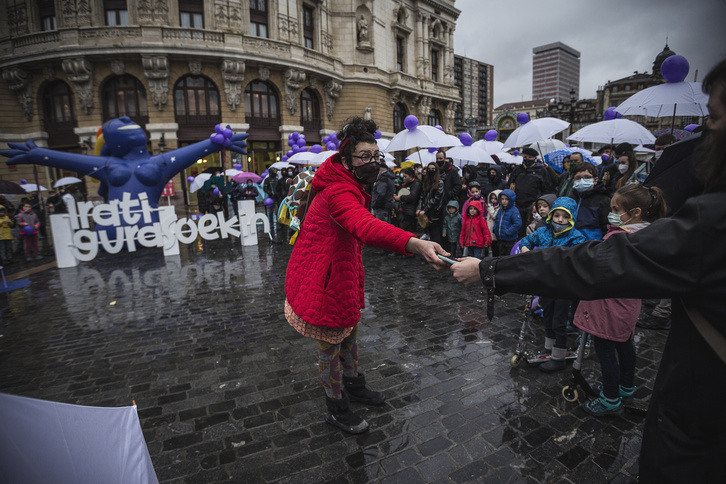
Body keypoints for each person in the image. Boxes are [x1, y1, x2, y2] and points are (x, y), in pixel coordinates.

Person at [451, 57, 726, 483]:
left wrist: (492, 270)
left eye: (715, 119)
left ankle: (615, 392)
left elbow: (596, 263)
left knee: (609, 347)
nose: (708, 134)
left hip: (700, 434)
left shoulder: (712, 222)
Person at [284, 117, 448, 434]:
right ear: (346, 159)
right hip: (324, 281)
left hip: (342, 274)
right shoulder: (338, 192)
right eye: (364, 156)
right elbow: (365, 226)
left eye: (376, 155)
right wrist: (414, 243)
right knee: (329, 348)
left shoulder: (349, 181)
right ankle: (336, 406)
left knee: (351, 334)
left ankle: (354, 385)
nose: (373, 162)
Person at [575, 183, 668, 416]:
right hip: (628, 305)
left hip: (609, 305)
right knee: (625, 344)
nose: (612, 213)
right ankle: (625, 388)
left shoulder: (620, 239)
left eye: (616, 210)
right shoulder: (648, 235)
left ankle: (610, 400)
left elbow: (601, 268)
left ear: (635, 212)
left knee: (605, 349)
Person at [518, 197, 586, 372]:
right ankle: (549, 348)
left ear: (571, 218)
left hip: (563, 286)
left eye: (565, 217)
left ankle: (559, 357)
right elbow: (526, 241)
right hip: (545, 283)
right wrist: (526, 250)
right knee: (547, 315)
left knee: (559, 321)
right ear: (551, 216)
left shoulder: (576, 237)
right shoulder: (543, 232)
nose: (560, 220)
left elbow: (578, 258)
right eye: (557, 216)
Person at [509, 148, 552, 237]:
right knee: (519, 228)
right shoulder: (518, 170)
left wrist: (538, 203)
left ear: (535, 158)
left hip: (533, 205)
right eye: (525, 157)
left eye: (530, 157)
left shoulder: (541, 170)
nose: (527, 159)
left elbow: (547, 188)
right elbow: (510, 184)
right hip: (518, 204)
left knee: (531, 229)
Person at [570, 163, 611, 241]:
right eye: (578, 178)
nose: (582, 180)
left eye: (587, 177)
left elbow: (607, 226)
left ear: (595, 180)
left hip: (593, 244)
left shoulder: (603, 200)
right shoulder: (570, 199)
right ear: (573, 180)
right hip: (572, 243)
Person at [417, 162, 444, 244]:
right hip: (426, 212)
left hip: (435, 212)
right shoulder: (426, 182)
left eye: (433, 169)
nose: (431, 171)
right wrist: (419, 208)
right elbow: (422, 197)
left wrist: (425, 209)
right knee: (430, 234)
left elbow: (436, 199)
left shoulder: (440, 182)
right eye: (429, 169)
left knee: (435, 235)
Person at [491, 189, 521, 257]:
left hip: (510, 240)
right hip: (500, 238)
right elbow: (497, 220)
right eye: (502, 199)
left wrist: (508, 232)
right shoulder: (500, 210)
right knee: (501, 256)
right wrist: (495, 229)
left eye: (506, 199)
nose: (504, 201)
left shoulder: (514, 211)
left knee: (509, 256)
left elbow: (517, 224)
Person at [393, 167, 421, 234]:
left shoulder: (416, 184)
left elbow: (412, 197)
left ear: (411, 176)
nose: (404, 178)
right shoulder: (405, 184)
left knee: (404, 231)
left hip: (410, 211)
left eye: (405, 176)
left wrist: (400, 198)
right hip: (403, 210)